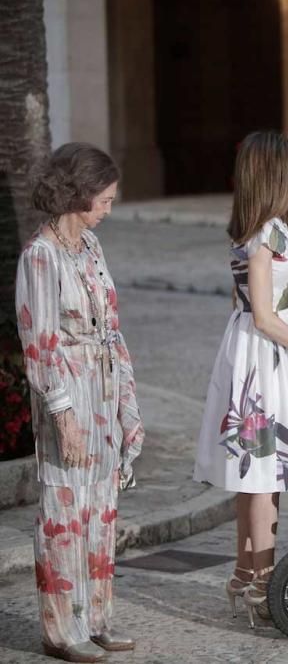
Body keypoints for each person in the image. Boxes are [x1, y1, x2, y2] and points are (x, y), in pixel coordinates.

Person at [193, 132, 288, 626]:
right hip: (263, 353)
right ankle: (261, 583)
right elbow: (263, 315)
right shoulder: (264, 233)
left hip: (256, 354)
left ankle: (245, 573)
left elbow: (242, 308)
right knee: (262, 476)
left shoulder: (264, 226)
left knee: (259, 474)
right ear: (273, 174)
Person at [15, 143, 144, 662]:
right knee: (64, 514)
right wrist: (64, 415)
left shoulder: (90, 246)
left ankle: (96, 620)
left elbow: (111, 328)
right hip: (65, 395)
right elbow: (38, 343)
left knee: (101, 511)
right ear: (77, 191)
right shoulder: (39, 257)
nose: (109, 209)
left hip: (104, 390)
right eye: (105, 199)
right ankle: (60, 631)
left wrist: (126, 405)